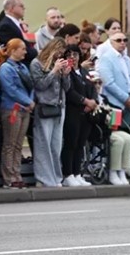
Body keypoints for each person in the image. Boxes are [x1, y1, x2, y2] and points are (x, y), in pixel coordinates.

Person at [30, 38, 70, 187]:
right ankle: (43, 178)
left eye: (62, 53)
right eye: (59, 52)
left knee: (56, 145)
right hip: (45, 106)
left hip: (60, 106)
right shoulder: (36, 63)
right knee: (43, 144)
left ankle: (56, 177)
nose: (60, 55)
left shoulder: (57, 63)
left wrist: (65, 74)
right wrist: (54, 71)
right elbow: (40, 85)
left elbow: (66, 88)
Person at [0, 40, 33, 188]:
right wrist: (27, 101)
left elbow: (31, 85)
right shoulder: (6, 68)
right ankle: (9, 177)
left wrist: (30, 100)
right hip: (12, 108)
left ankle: (17, 173)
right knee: (10, 144)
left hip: (24, 109)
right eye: (22, 49)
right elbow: (10, 89)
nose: (25, 52)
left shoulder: (22, 67)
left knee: (18, 144)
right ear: (13, 51)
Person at [61, 44, 96, 186]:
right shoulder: (67, 72)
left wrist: (93, 101)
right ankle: (68, 174)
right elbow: (70, 92)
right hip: (73, 111)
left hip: (86, 113)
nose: (72, 58)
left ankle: (77, 173)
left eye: (75, 55)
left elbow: (92, 86)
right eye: (69, 55)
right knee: (71, 143)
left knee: (80, 143)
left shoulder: (83, 71)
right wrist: (84, 101)